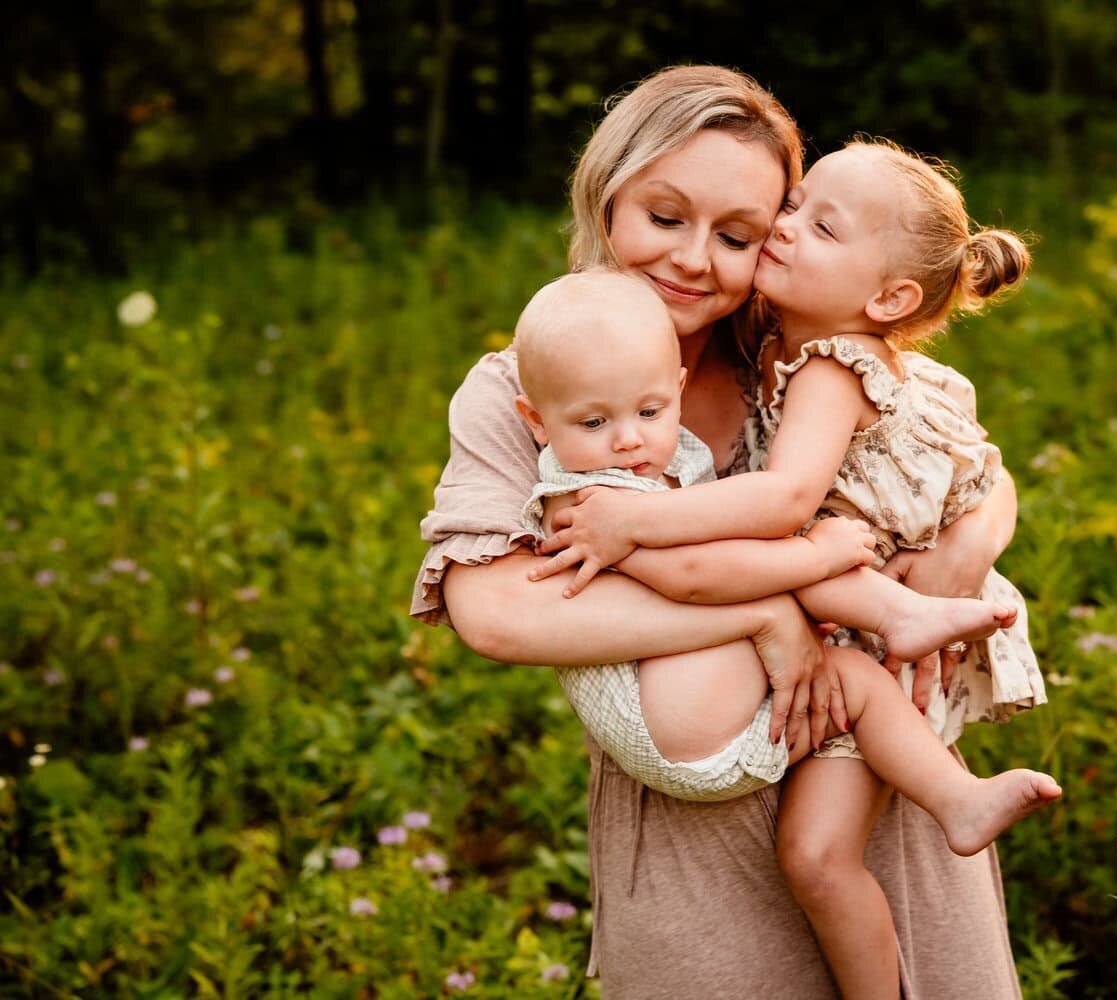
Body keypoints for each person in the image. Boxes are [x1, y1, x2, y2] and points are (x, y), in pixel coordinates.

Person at [414, 65, 1028, 998]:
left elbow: (970, 465)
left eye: (737, 235)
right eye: (665, 218)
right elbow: (499, 614)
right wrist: (772, 615)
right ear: (607, 195)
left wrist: (970, 544)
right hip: (696, 834)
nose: (695, 261)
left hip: (883, 799)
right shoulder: (528, 387)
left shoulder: (793, 346)